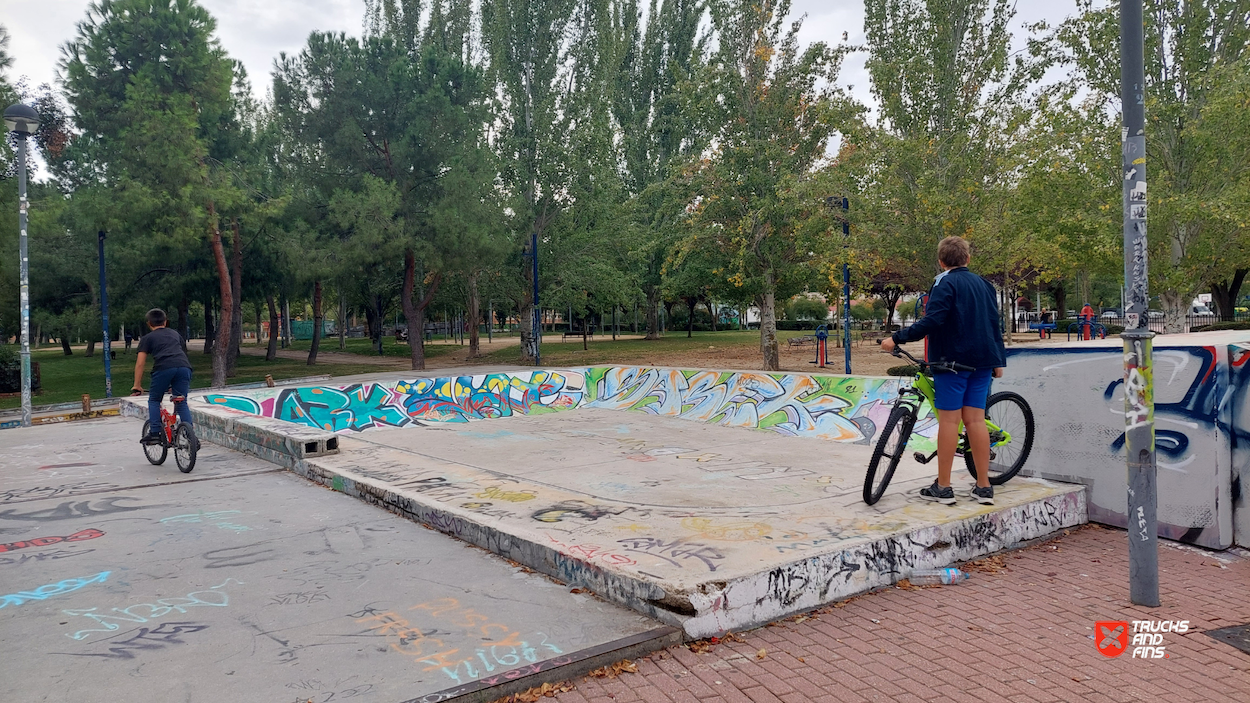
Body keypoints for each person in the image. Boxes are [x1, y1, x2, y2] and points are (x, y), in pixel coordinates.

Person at [880, 237, 1006, 505]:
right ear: (968, 259)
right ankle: (984, 487)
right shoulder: (985, 284)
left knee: (950, 421)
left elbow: (933, 320)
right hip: (983, 361)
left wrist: (897, 338)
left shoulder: (943, 282)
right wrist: (998, 360)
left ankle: (944, 487)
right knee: (975, 420)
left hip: (952, 362)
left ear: (941, 261)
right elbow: (994, 322)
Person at [132, 308, 194, 445]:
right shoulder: (175, 334)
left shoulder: (147, 339)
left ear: (149, 323)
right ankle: (191, 437)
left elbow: (140, 364)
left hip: (164, 368)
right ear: (165, 322)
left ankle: (155, 433)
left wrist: (137, 385)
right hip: (184, 367)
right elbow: (178, 353)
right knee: (181, 401)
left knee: (154, 400)